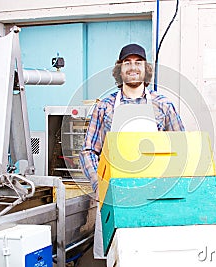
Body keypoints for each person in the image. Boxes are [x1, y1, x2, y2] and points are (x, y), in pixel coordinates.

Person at [79, 43, 185, 259]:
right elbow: (88, 150)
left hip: (153, 194)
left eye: (138, 63)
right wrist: (99, 185)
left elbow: (181, 150)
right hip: (115, 195)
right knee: (116, 255)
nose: (133, 67)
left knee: (151, 255)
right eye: (127, 63)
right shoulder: (105, 106)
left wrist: (170, 189)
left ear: (146, 69)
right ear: (119, 70)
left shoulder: (163, 105)